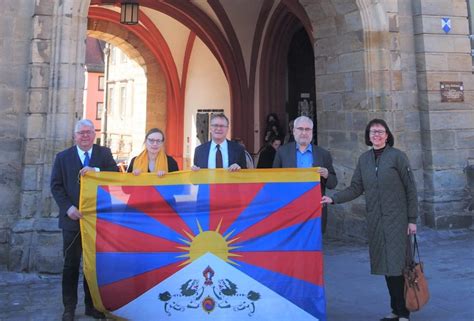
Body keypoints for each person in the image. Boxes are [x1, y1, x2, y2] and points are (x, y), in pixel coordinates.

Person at [321, 118, 418, 321]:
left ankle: (404, 312)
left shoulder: (397, 157)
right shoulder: (364, 160)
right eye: (373, 132)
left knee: (398, 266)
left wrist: (412, 219)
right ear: (368, 136)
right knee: (386, 266)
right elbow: (356, 187)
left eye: (381, 132)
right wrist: (333, 199)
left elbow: (411, 189)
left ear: (387, 135)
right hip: (376, 222)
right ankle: (394, 309)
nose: (377, 135)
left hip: (397, 221)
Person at [51, 119, 118, 321]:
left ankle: (93, 306)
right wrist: (68, 208)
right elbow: (56, 186)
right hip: (72, 221)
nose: (85, 136)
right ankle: (69, 307)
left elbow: (115, 175)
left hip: (97, 221)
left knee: (93, 265)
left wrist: (96, 171)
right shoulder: (62, 157)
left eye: (89, 132)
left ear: (94, 135)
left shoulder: (103, 154)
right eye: (81, 133)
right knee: (71, 265)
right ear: (75, 136)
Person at [273, 115, 337, 233]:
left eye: (307, 129)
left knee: (312, 247)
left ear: (312, 132)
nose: (304, 132)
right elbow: (274, 182)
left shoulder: (323, 154)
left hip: (315, 210)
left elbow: (333, 183)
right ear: (293, 131)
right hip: (289, 208)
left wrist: (327, 174)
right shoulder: (282, 152)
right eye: (300, 129)